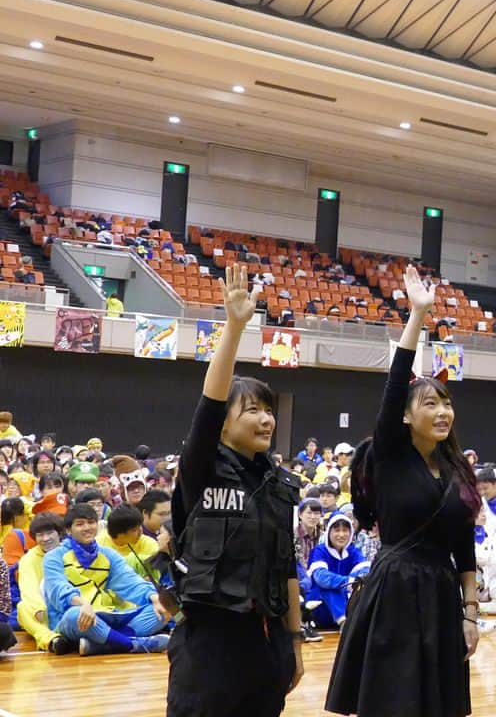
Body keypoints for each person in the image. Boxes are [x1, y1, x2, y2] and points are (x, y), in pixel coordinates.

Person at [326, 264, 481, 717]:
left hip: (440, 594)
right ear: (407, 417)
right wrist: (418, 315)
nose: (442, 411)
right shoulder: (391, 455)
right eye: (429, 403)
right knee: (392, 702)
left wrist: (470, 611)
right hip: (395, 590)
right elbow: (396, 385)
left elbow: (464, 548)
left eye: (446, 403)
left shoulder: (456, 469)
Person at [166, 264, 304, 717]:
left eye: (269, 410)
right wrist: (236, 326)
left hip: (266, 643)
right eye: (253, 411)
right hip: (208, 644)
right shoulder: (201, 467)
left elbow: (287, 570)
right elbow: (209, 403)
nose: (267, 419)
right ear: (224, 424)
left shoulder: (281, 485)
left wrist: (295, 642)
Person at [42, 504, 170, 656]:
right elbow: (58, 589)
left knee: (163, 609)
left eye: (91, 522)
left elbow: (129, 580)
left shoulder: (108, 554)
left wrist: (154, 597)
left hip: (107, 615)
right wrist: (83, 604)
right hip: (73, 616)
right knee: (75, 615)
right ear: (69, 530)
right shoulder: (53, 557)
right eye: (80, 524)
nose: (87, 527)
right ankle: (133, 644)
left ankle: (102, 645)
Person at [16, 513, 72, 653]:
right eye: (40, 535)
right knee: (22, 608)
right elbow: (28, 587)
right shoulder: (28, 559)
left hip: (72, 606)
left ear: (59, 533)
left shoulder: (71, 551)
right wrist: (37, 608)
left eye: (50, 533)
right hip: (44, 612)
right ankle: (52, 640)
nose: (45, 539)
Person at [306, 511, 364, 628]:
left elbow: (364, 574)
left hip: (346, 602)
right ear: (329, 532)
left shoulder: (354, 552)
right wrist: (348, 582)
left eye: (345, 530)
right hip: (320, 606)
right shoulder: (320, 551)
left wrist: (353, 584)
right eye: (337, 530)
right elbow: (321, 578)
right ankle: (344, 623)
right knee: (328, 587)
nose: (341, 535)